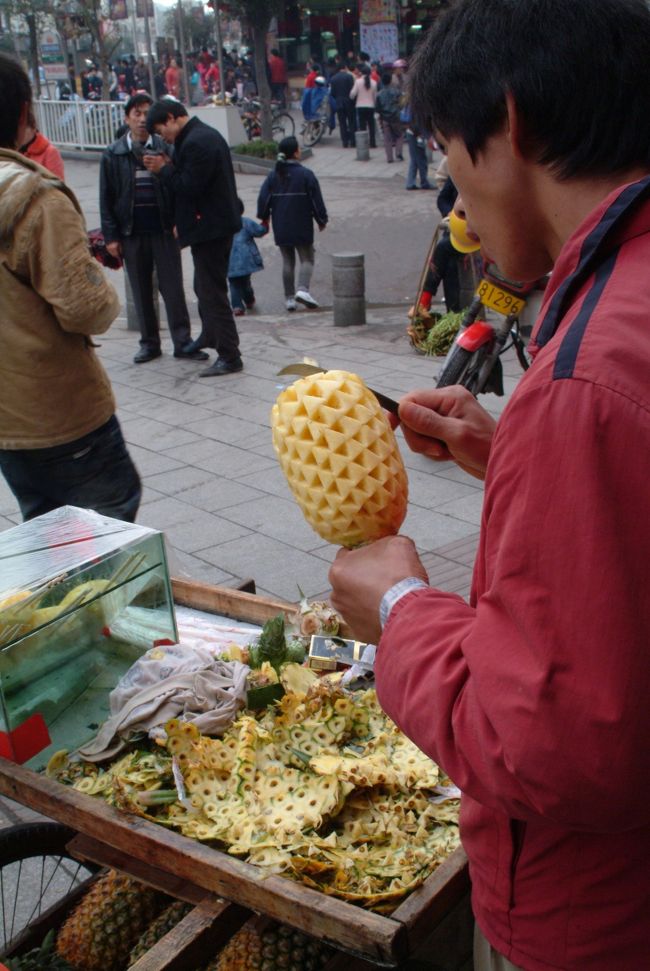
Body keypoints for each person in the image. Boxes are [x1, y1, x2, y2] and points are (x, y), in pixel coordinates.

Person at [328, 1, 650, 970]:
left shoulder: (585, 374)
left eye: (446, 154)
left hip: (597, 915)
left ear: (505, 124)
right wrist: (507, 447)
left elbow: (550, 740)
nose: (456, 204)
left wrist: (398, 604)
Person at [0, 53, 141, 523]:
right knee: (109, 528)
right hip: (57, 411)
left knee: (42, 531)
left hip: (8, 421)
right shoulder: (32, 199)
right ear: (24, 111)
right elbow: (88, 310)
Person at [100, 93, 207, 365]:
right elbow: (107, 197)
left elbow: (180, 188)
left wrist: (179, 222)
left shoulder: (166, 148)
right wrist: (111, 236)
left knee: (172, 288)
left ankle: (182, 341)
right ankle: (149, 343)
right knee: (141, 289)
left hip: (163, 230)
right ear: (127, 118)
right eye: (136, 114)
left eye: (146, 113)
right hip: (131, 232)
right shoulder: (113, 154)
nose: (142, 119)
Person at [143, 99, 243, 377]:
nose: (163, 137)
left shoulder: (197, 142)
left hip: (212, 229)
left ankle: (230, 355)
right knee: (203, 286)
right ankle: (210, 336)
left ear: (173, 118)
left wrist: (163, 170)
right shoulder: (198, 137)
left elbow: (188, 187)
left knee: (213, 293)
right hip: (212, 226)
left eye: (162, 130)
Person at [257, 136, 328, 312]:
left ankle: (289, 299)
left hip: (281, 225)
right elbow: (315, 200)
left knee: (287, 261)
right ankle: (303, 290)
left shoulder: (274, 175)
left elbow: (263, 199)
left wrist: (264, 218)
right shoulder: (305, 175)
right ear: (296, 152)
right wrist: (321, 219)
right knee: (307, 259)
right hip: (301, 222)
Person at [227, 198, 268, 316]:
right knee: (245, 282)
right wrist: (265, 224)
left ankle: (237, 307)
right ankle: (249, 300)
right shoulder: (245, 222)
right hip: (246, 260)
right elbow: (259, 231)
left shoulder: (223, 224)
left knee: (233, 283)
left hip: (229, 261)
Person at [19, 110, 65, 179]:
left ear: (33, 128)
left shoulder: (50, 152)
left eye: (24, 129)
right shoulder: (14, 150)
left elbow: (57, 185)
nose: (20, 134)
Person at [375, 72, 403, 163]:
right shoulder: (396, 91)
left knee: (387, 139)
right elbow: (401, 104)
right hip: (395, 116)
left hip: (385, 118)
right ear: (391, 80)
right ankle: (398, 153)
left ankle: (389, 158)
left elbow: (377, 108)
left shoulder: (379, 94)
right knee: (399, 135)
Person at [402, 103, 431, 190]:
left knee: (415, 159)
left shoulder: (412, 102)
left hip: (412, 132)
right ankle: (423, 182)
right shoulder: (419, 104)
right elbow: (418, 122)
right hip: (416, 134)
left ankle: (411, 183)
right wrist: (421, 135)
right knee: (421, 159)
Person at [350, 64, 377, 149]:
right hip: (370, 106)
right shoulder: (374, 83)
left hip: (360, 106)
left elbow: (352, 94)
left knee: (362, 126)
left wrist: (352, 98)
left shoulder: (358, 82)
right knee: (371, 125)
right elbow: (375, 96)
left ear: (362, 73)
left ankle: (364, 143)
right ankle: (373, 142)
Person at [329, 62, 355, 148]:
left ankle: (345, 142)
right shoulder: (349, 76)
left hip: (339, 102)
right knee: (351, 121)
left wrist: (338, 98)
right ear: (345, 67)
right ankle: (353, 141)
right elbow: (352, 90)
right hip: (349, 101)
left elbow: (332, 93)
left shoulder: (333, 78)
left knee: (342, 122)